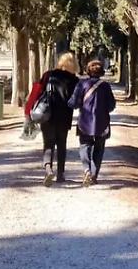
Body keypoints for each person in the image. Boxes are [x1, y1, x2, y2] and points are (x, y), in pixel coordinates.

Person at [25, 53, 79, 186]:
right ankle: (60, 174)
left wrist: (28, 110)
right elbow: (77, 100)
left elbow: (36, 91)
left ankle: (48, 169)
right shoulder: (74, 80)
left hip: (47, 114)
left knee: (48, 144)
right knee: (62, 145)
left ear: (60, 62)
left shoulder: (48, 75)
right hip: (64, 116)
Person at [69, 59, 117, 187]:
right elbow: (112, 105)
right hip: (102, 123)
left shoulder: (82, 84)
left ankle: (87, 170)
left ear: (88, 71)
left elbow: (74, 103)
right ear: (101, 71)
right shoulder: (105, 86)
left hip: (85, 122)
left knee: (85, 146)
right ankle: (94, 175)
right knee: (99, 149)